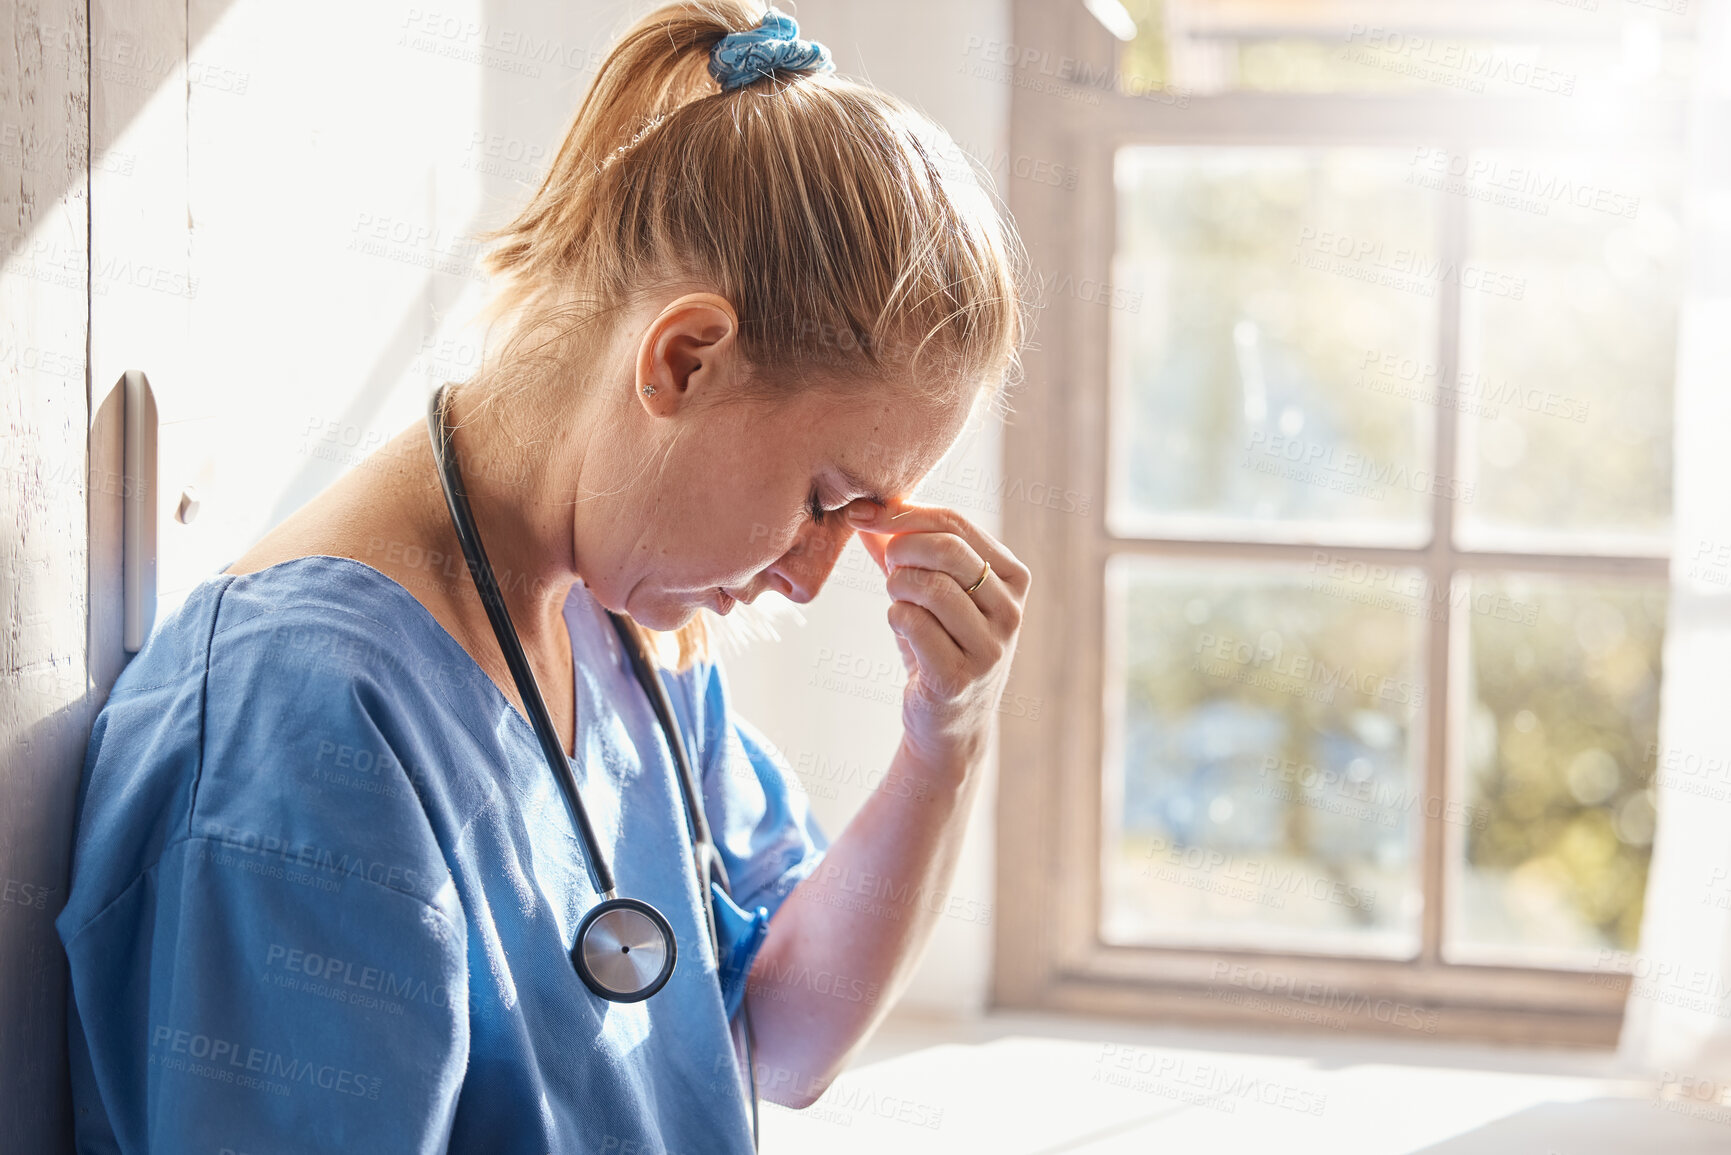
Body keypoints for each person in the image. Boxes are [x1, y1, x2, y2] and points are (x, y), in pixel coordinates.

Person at [54, 2, 1029, 1151]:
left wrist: (944, 736)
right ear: (682, 358)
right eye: (823, 500)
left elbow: (784, 1036)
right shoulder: (306, 722)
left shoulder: (627, 632)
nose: (814, 582)